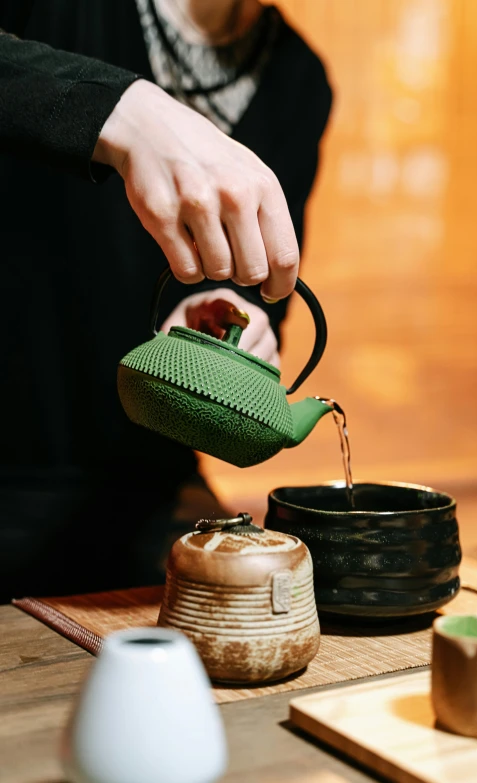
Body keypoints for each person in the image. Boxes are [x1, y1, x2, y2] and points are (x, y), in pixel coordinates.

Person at [0, 0, 332, 601]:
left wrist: (239, 318)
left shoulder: (299, 76)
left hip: (148, 485)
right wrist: (126, 109)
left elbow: (264, 277)